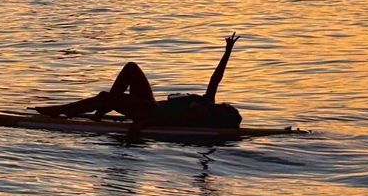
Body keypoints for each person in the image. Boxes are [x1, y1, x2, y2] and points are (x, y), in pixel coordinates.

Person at [35, 33, 243, 130]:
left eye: (229, 109)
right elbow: (216, 79)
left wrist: (146, 124)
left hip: (151, 113)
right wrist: (227, 52)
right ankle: (103, 107)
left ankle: (61, 110)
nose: (227, 105)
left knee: (106, 97)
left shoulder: (203, 114)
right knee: (131, 68)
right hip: (151, 104)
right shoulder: (208, 102)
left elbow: (173, 122)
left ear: (222, 115)